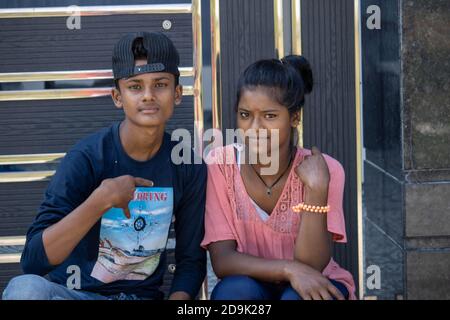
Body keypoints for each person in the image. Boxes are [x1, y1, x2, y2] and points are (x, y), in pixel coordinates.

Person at [2, 31, 206, 300]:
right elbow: (34, 261)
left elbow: (191, 261)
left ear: (177, 93)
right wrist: (99, 201)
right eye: (135, 86)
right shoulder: (86, 158)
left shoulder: (187, 165)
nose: (148, 96)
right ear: (117, 96)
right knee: (24, 289)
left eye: (160, 84)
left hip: (141, 298)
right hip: (77, 294)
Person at [201, 56, 356, 300]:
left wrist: (316, 190)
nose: (254, 128)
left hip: (314, 283)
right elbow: (223, 261)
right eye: (245, 114)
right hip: (251, 284)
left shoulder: (326, 171)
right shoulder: (220, 166)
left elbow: (311, 266)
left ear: (294, 117)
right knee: (233, 292)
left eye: (270, 116)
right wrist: (287, 268)